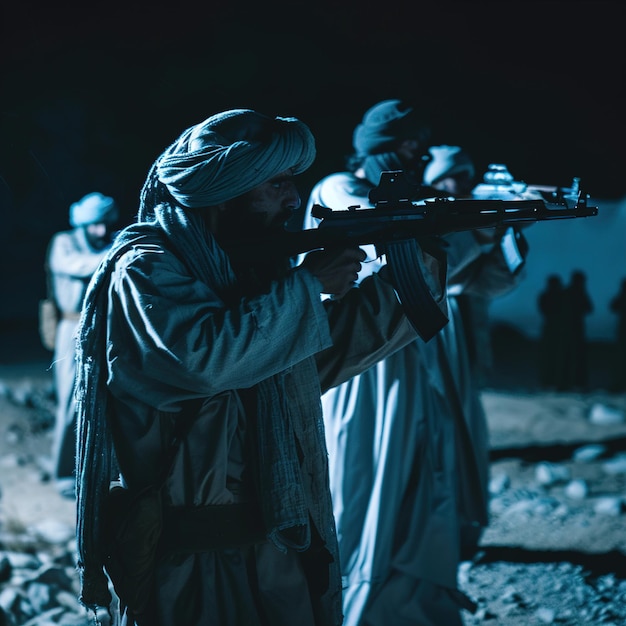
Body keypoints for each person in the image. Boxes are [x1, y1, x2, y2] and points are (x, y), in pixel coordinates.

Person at [73, 108, 447, 626]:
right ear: (225, 190)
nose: (294, 199)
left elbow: (316, 359)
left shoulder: (253, 272)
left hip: (279, 538)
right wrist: (308, 286)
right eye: (276, 183)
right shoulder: (147, 268)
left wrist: (418, 258)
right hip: (193, 561)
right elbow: (204, 361)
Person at [302, 103, 529, 626]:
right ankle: (355, 600)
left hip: (409, 355)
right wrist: (472, 218)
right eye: (407, 145)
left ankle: (407, 598)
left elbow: (470, 279)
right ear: (377, 144)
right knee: (366, 477)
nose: (418, 154)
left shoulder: (414, 200)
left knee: (421, 474)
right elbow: (392, 241)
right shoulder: (341, 189)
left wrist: (498, 223)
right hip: (362, 363)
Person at [44, 191, 118, 498]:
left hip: (105, 327)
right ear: (83, 223)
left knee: (108, 398)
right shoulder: (64, 243)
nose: (101, 231)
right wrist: (119, 249)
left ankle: (101, 469)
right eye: (95, 225)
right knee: (72, 404)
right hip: (71, 326)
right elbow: (80, 265)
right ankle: (63, 473)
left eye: (105, 224)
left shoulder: (109, 242)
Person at [562, 269, 594, 390]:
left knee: (574, 357)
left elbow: (589, 308)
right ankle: (570, 382)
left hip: (574, 330)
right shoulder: (572, 293)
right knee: (569, 356)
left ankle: (574, 382)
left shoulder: (574, 292)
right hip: (569, 330)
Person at [537, 273, 567, 389]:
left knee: (553, 357)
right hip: (555, 329)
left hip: (555, 329)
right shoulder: (560, 296)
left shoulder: (548, 296)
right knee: (552, 357)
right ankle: (551, 381)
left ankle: (551, 380)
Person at [609, 277, 626, 391]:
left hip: (622, 332)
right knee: (621, 359)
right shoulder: (621, 298)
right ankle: (619, 383)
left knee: (621, 359)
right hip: (622, 333)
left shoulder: (621, 297)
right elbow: (613, 306)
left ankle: (619, 384)